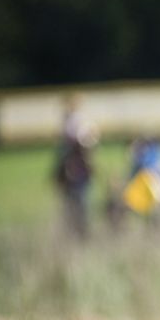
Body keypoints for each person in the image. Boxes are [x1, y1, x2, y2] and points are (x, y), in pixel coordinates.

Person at [53, 93, 98, 238]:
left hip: (76, 171)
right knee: (77, 204)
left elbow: (85, 145)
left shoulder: (75, 122)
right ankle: (78, 233)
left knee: (77, 204)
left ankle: (78, 233)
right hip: (76, 172)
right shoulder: (78, 122)